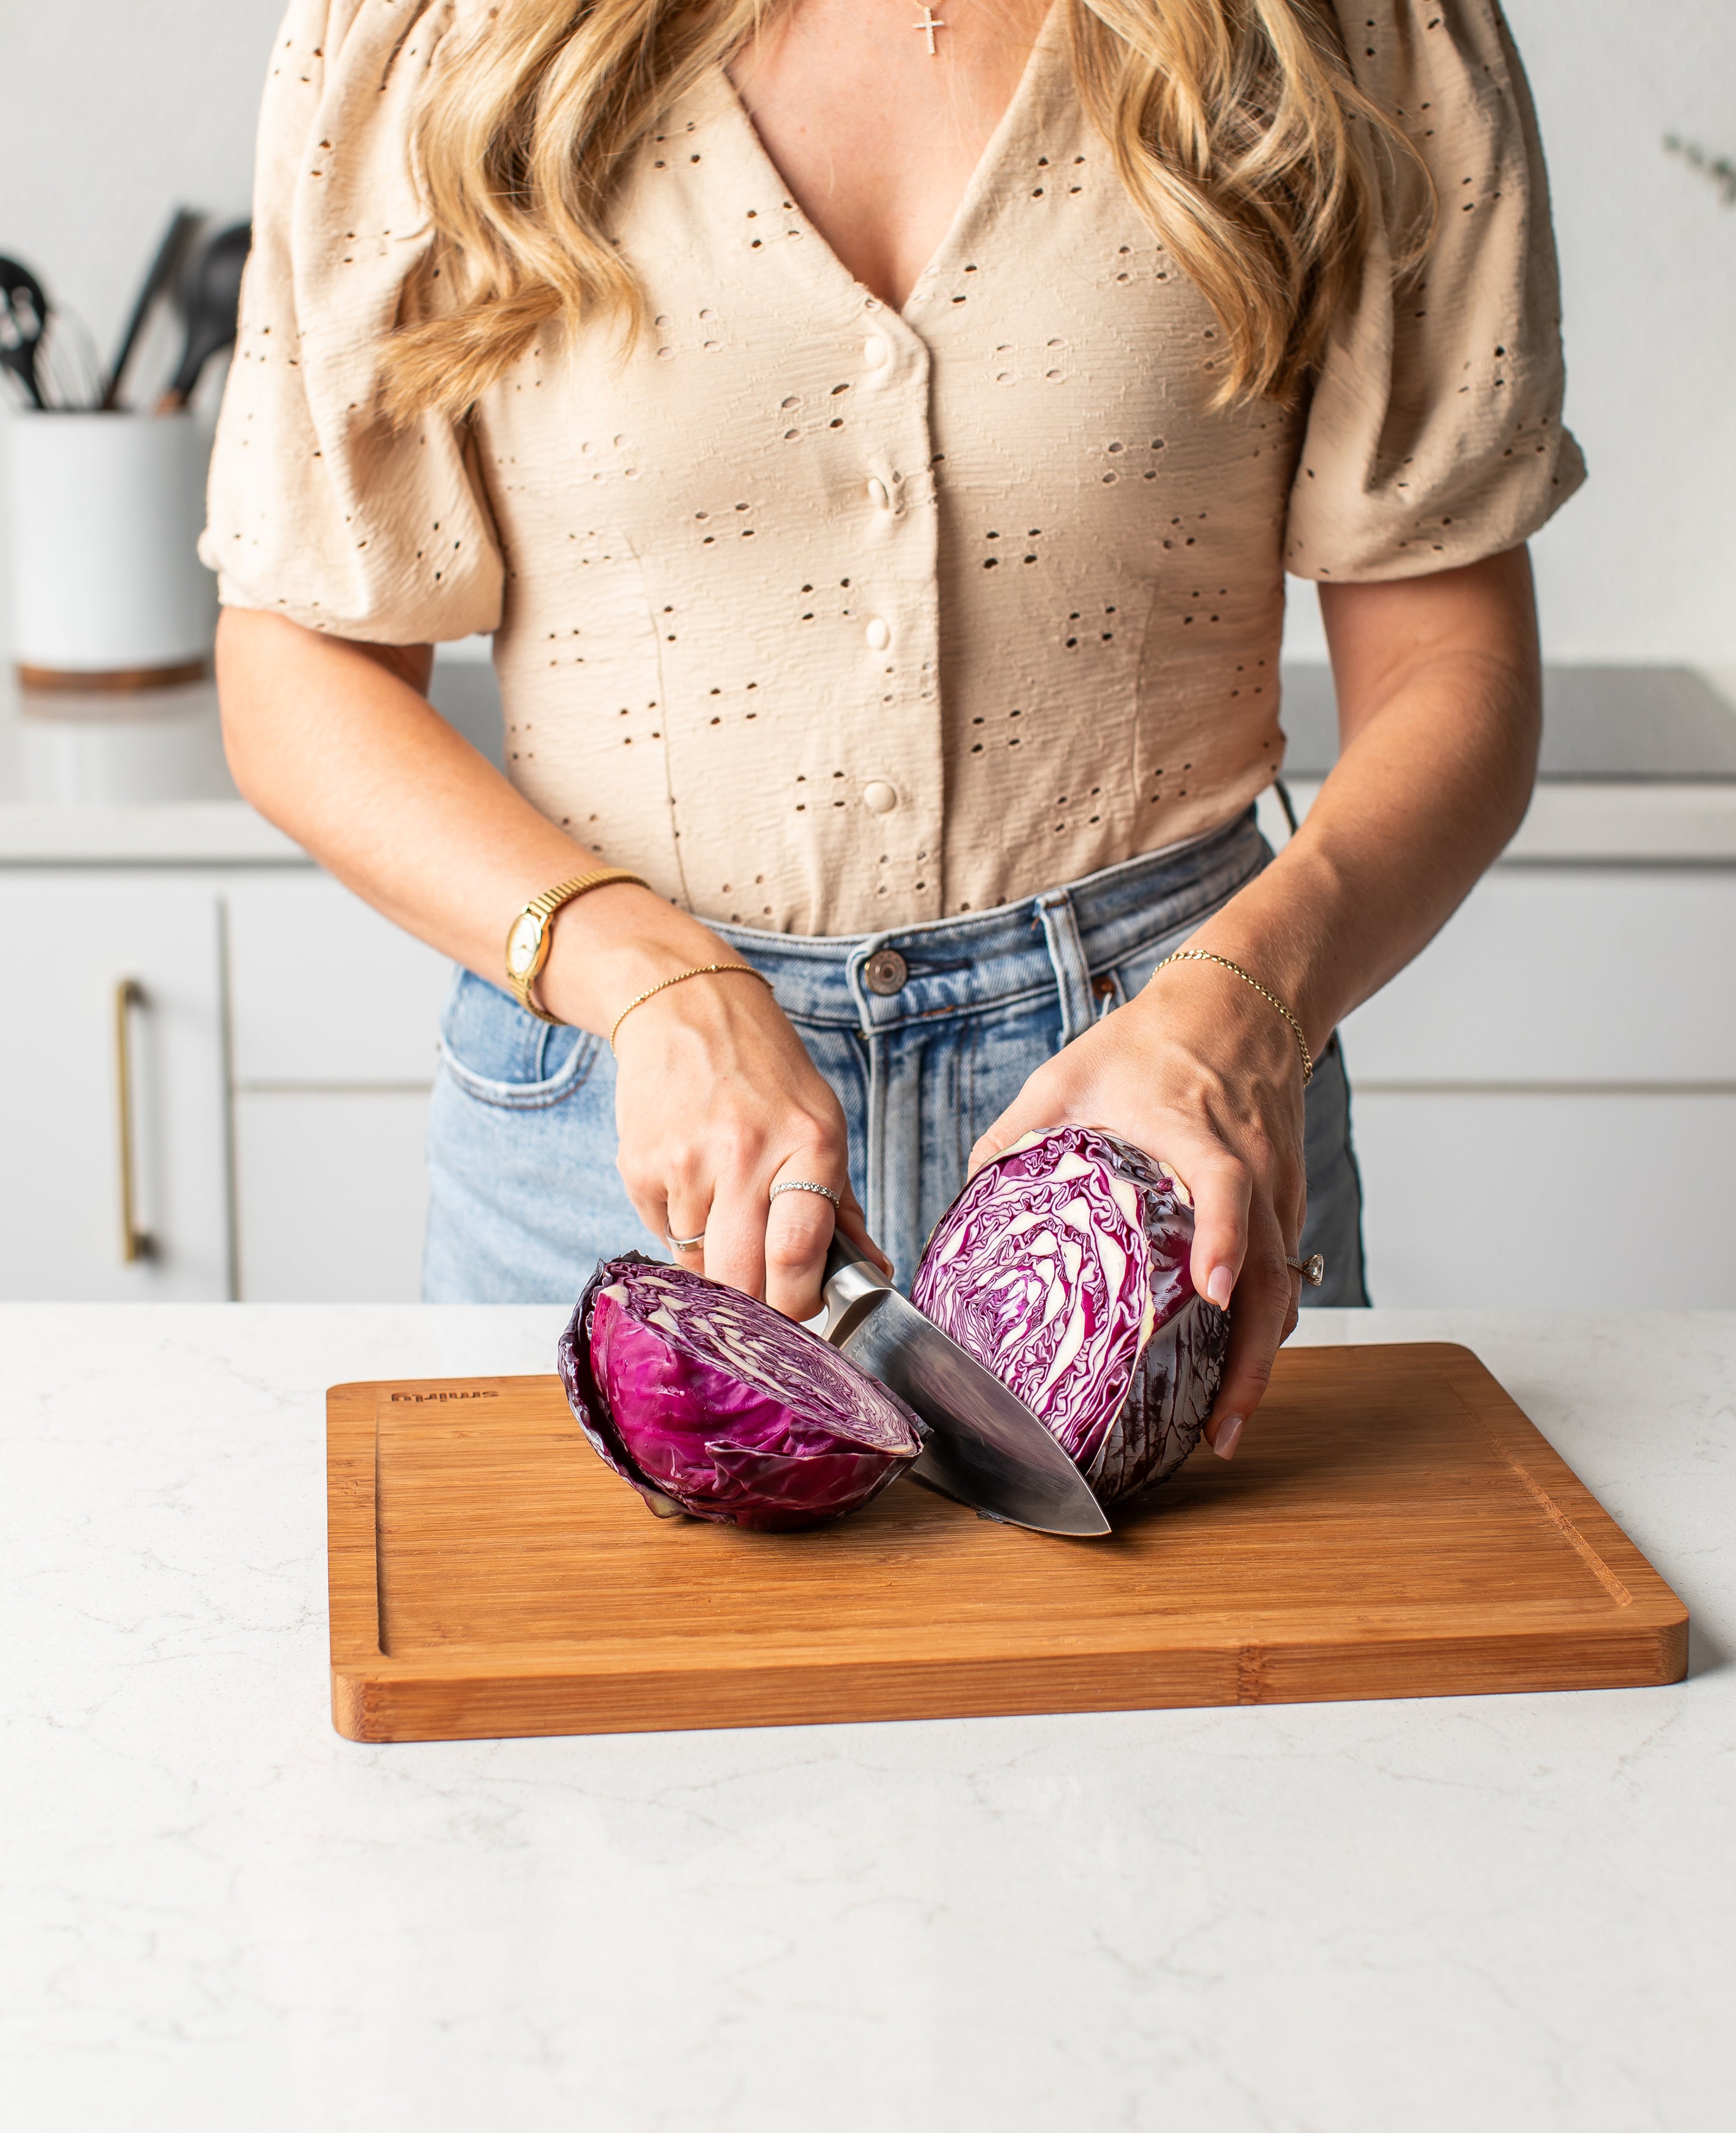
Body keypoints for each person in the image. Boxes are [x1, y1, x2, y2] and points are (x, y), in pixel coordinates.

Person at [207, 0, 1581, 1461]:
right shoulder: (430, 33)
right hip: (622, 1113)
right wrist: (653, 979)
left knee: (1233, 1689)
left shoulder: (1344, 29)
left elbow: (1453, 657)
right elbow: (297, 671)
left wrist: (1245, 1001)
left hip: (1179, 1094)